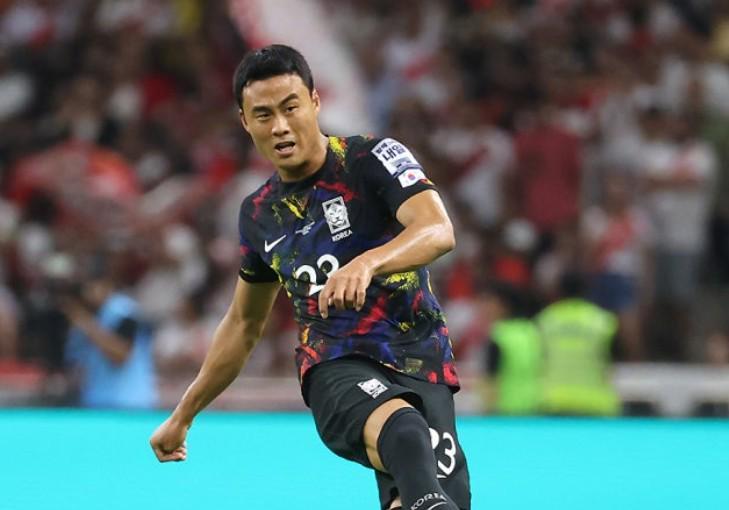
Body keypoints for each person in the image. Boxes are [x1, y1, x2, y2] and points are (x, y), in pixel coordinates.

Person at [149, 44, 471, 510]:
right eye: (263, 115)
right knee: (405, 431)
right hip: (335, 364)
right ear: (245, 122)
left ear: (315, 102)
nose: (280, 126)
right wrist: (183, 415)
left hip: (421, 359)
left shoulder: (371, 158)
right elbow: (243, 324)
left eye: (290, 107)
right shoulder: (259, 214)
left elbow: (437, 230)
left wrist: (367, 262)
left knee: (430, 493)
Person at [63, 255, 158, 409]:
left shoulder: (125, 311)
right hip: (97, 401)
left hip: (130, 402)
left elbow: (121, 355)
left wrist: (87, 325)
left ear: (108, 285)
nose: (89, 293)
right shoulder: (92, 314)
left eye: (94, 287)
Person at [535, 272, 620, 417]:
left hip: (553, 400)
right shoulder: (603, 321)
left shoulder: (546, 320)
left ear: (558, 290)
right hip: (595, 402)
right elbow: (615, 358)